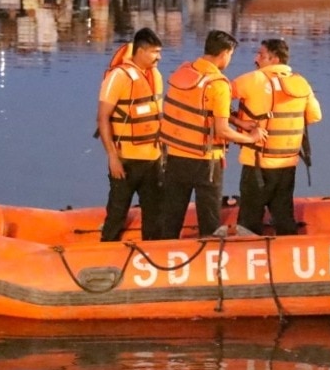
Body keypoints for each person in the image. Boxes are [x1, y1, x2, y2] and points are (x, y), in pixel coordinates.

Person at [158, 31, 267, 239]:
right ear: (225, 53)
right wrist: (250, 138)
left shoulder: (185, 71)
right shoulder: (219, 84)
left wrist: (237, 120)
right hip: (205, 161)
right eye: (231, 55)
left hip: (175, 155)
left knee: (171, 216)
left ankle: (164, 253)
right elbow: (222, 130)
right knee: (209, 220)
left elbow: (201, 110)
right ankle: (209, 262)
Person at [231, 39, 323, 236]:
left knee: (249, 218)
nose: (256, 58)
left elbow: (219, 98)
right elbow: (315, 116)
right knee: (283, 215)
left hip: (257, 163)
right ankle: (288, 252)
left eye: (261, 55)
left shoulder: (252, 80)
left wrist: (235, 120)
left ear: (274, 59)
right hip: (287, 162)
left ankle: (247, 256)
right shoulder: (301, 82)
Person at [97, 28, 165, 242]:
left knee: (154, 215)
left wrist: (164, 153)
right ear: (141, 51)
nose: (159, 57)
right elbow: (102, 118)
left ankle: (151, 257)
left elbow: (158, 116)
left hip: (153, 159)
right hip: (125, 160)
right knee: (117, 213)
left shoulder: (155, 75)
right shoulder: (119, 76)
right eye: (154, 52)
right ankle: (105, 254)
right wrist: (112, 157)